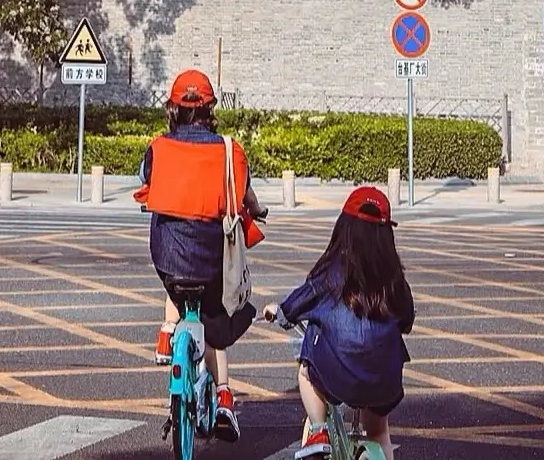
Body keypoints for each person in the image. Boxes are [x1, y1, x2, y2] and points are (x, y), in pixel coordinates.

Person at [134, 69, 265, 443]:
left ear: (173, 109)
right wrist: (258, 209)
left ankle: (167, 333)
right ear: (210, 108)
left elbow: (147, 181)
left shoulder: (158, 148)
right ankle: (224, 395)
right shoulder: (229, 151)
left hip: (168, 257)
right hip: (213, 261)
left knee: (177, 282)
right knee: (216, 317)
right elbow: (244, 196)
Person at [262, 186, 414, 460]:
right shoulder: (394, 281)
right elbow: (406, 321)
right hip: (384, 379)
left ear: (343, 229)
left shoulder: (330, 274)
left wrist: (280, 312)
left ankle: (319, 431)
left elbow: (296, 305)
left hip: (336, 376)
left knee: (306, 370)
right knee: (379, 431)